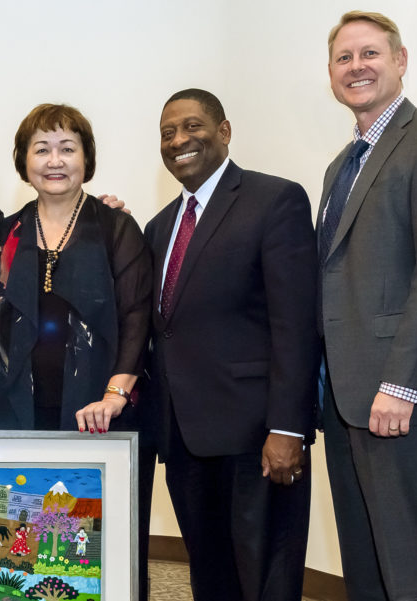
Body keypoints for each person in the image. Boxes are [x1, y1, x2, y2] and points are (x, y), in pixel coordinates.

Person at [320, 12, 417, 601]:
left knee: (413, 574)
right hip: (343, 398)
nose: (356, 67)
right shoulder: (343, 164)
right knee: (366, 571)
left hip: (396, 398)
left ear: (401, 60)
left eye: (370, 54)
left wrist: (403, 384)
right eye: (343, 58)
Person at [142, 89, 319, 601]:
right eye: (167, 133)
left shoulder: (275, 200)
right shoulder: (159, 228)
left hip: (256, 437)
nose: (179, 140)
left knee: (264, 578)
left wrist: (287, 427)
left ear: (223, 131)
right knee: (210, 577)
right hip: (185, 440)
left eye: (192, 126)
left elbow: (295, 323)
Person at [0, 103, 151, 434]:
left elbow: (137, 318)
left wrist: (115, 396)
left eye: (67, 149)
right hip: (12, 413)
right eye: (42, 149)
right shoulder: (4, 235)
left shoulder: (116, 230)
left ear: (86, 158)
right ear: (24, 161)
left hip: (100, 414)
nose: (54, 161)